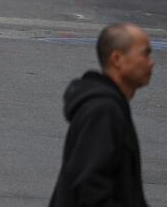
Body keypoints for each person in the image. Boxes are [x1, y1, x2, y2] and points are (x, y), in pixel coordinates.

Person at [49, 22, 153, 207]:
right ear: (117, 59)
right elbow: (89, 190)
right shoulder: (103, 111)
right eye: (145, 53)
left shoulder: (109, 105)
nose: (151, 62)